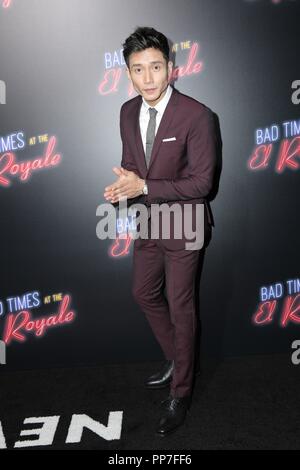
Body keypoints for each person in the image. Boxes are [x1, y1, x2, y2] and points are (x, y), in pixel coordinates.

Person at [104, 26, 217, 436]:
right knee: (142, 292)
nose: (147, 78)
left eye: (155, 67)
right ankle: (180, 357)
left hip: (185, 223)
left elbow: (204, 184)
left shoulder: (197, 115)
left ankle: (181, 390)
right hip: (150, 220)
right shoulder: (125, 111)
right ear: (128, 73)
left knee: (180, 304)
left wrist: (145, 186)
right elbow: (134, 163)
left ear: (170, 68)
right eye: (138, 69)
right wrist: (124, 187)